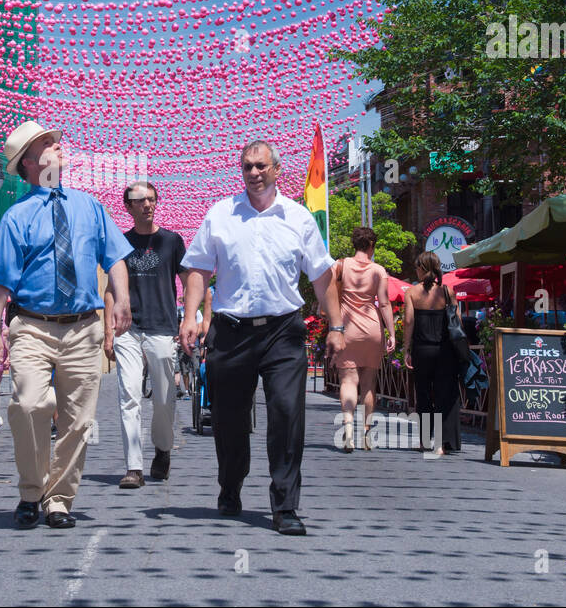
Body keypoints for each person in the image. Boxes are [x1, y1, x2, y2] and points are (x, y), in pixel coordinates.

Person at [180, 141, 344, 536]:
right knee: (228, 419)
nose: (254, 173)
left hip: (283, 332)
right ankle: (230, 484)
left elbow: (322, 275)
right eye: (247, 167)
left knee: (287, 414)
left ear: (276, 170)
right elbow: (199, 269)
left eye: (261, 166)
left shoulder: (298, 217)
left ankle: (285, 505)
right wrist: (190, 316)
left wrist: (337, 327)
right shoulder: (221, 214)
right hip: (231, 331)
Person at [0, 120, 133, 529]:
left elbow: (115, 258)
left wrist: (122, 299)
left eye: (55, 142)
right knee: (28, 404)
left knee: (79, 421)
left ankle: (58, 501)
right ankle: (32, 490)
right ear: (29, 163)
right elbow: (0, 279)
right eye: (47, 145)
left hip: (84, 328)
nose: (58, 148)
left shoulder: (90, 207)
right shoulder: (17, 216)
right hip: (32, 325)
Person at [105, 181, 186, 489]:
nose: (148, 205)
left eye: (152, 199)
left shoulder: (171, 241)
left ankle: (163, 448)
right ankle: (134, 467)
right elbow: (110, 290)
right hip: (128, 329)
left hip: (162, 327)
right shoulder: (120, 244)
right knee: (129, 395)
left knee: (165, 397)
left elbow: (188, 278)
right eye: (140, 201)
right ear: (129, 206)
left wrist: (192, 317)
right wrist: (108, 333)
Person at [335, 227, 395, 452]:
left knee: (348, 380)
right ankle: (366, 433)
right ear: (371, 245)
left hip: (346, 327)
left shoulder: (340, 265)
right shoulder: (378, 270)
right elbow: (385, 303)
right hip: (372, 328)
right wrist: (392, 333)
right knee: (369, 383)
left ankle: (348, 427)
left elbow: (330, 295)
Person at [403, 251, 460, 455]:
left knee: (424, 394)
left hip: (422, 349)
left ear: (422, 268)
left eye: (417, 267)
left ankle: (425, 441)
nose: (416, 271)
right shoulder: (447, 291)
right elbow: (457, 322)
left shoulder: (411, 293)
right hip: (445, 350)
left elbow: (409, 321)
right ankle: (441, 444)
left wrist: (406, 348)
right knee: (443, 395)